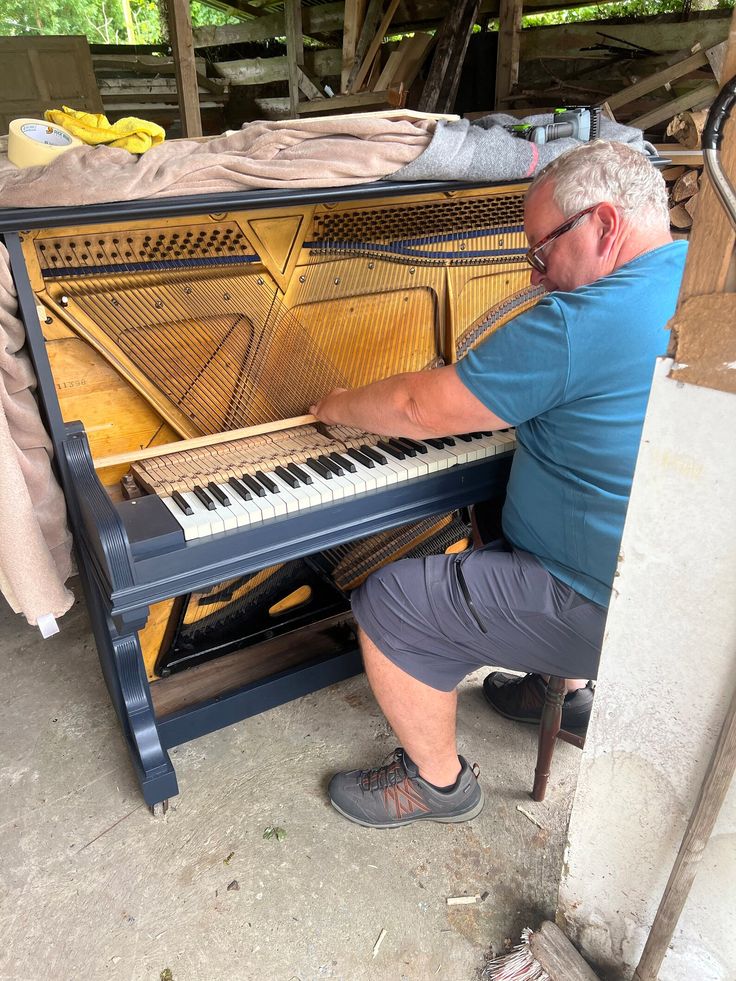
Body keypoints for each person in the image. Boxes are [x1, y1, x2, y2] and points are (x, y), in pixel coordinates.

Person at [310, 140, 687, 829]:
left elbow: (416, 410)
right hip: (673, 591)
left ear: (604, 225)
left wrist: (334, 404)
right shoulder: (697, 271)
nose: (534, 275)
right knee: (491, 497)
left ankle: (437, 782)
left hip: (603, 606)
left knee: (391, 599)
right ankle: (561, 691)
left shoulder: (581, 321)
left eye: (540, 252)